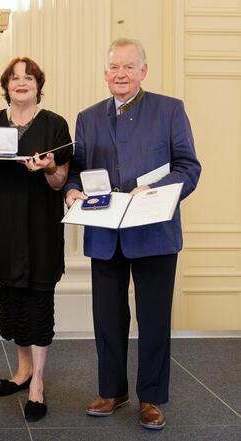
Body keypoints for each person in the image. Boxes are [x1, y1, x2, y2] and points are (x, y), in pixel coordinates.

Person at [64, 38, 201, 430]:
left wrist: (154, 191)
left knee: (154, 319)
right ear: (105, 73)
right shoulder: (88, 117)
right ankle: (112, 391)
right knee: (107, 319)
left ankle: (151, 398)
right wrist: (71, 191)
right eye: (114, 67)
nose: (120, 74)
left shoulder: (170, 110)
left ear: (143, 71)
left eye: (128, 67)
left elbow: (188, 168)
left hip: (154, 232)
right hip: (105, 235)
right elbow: (78, 170)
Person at [0, 57, 72, 422]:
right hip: (1, 228)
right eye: (15, 78)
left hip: (40, 228)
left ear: (38, 85)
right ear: (6, 86)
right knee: (12, 303)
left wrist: (49, 167)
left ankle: (37, 383)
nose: (21, 82)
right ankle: (23, 370)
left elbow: (59, 182)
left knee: (38, 303)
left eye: (28, 78)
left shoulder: (55, 124)